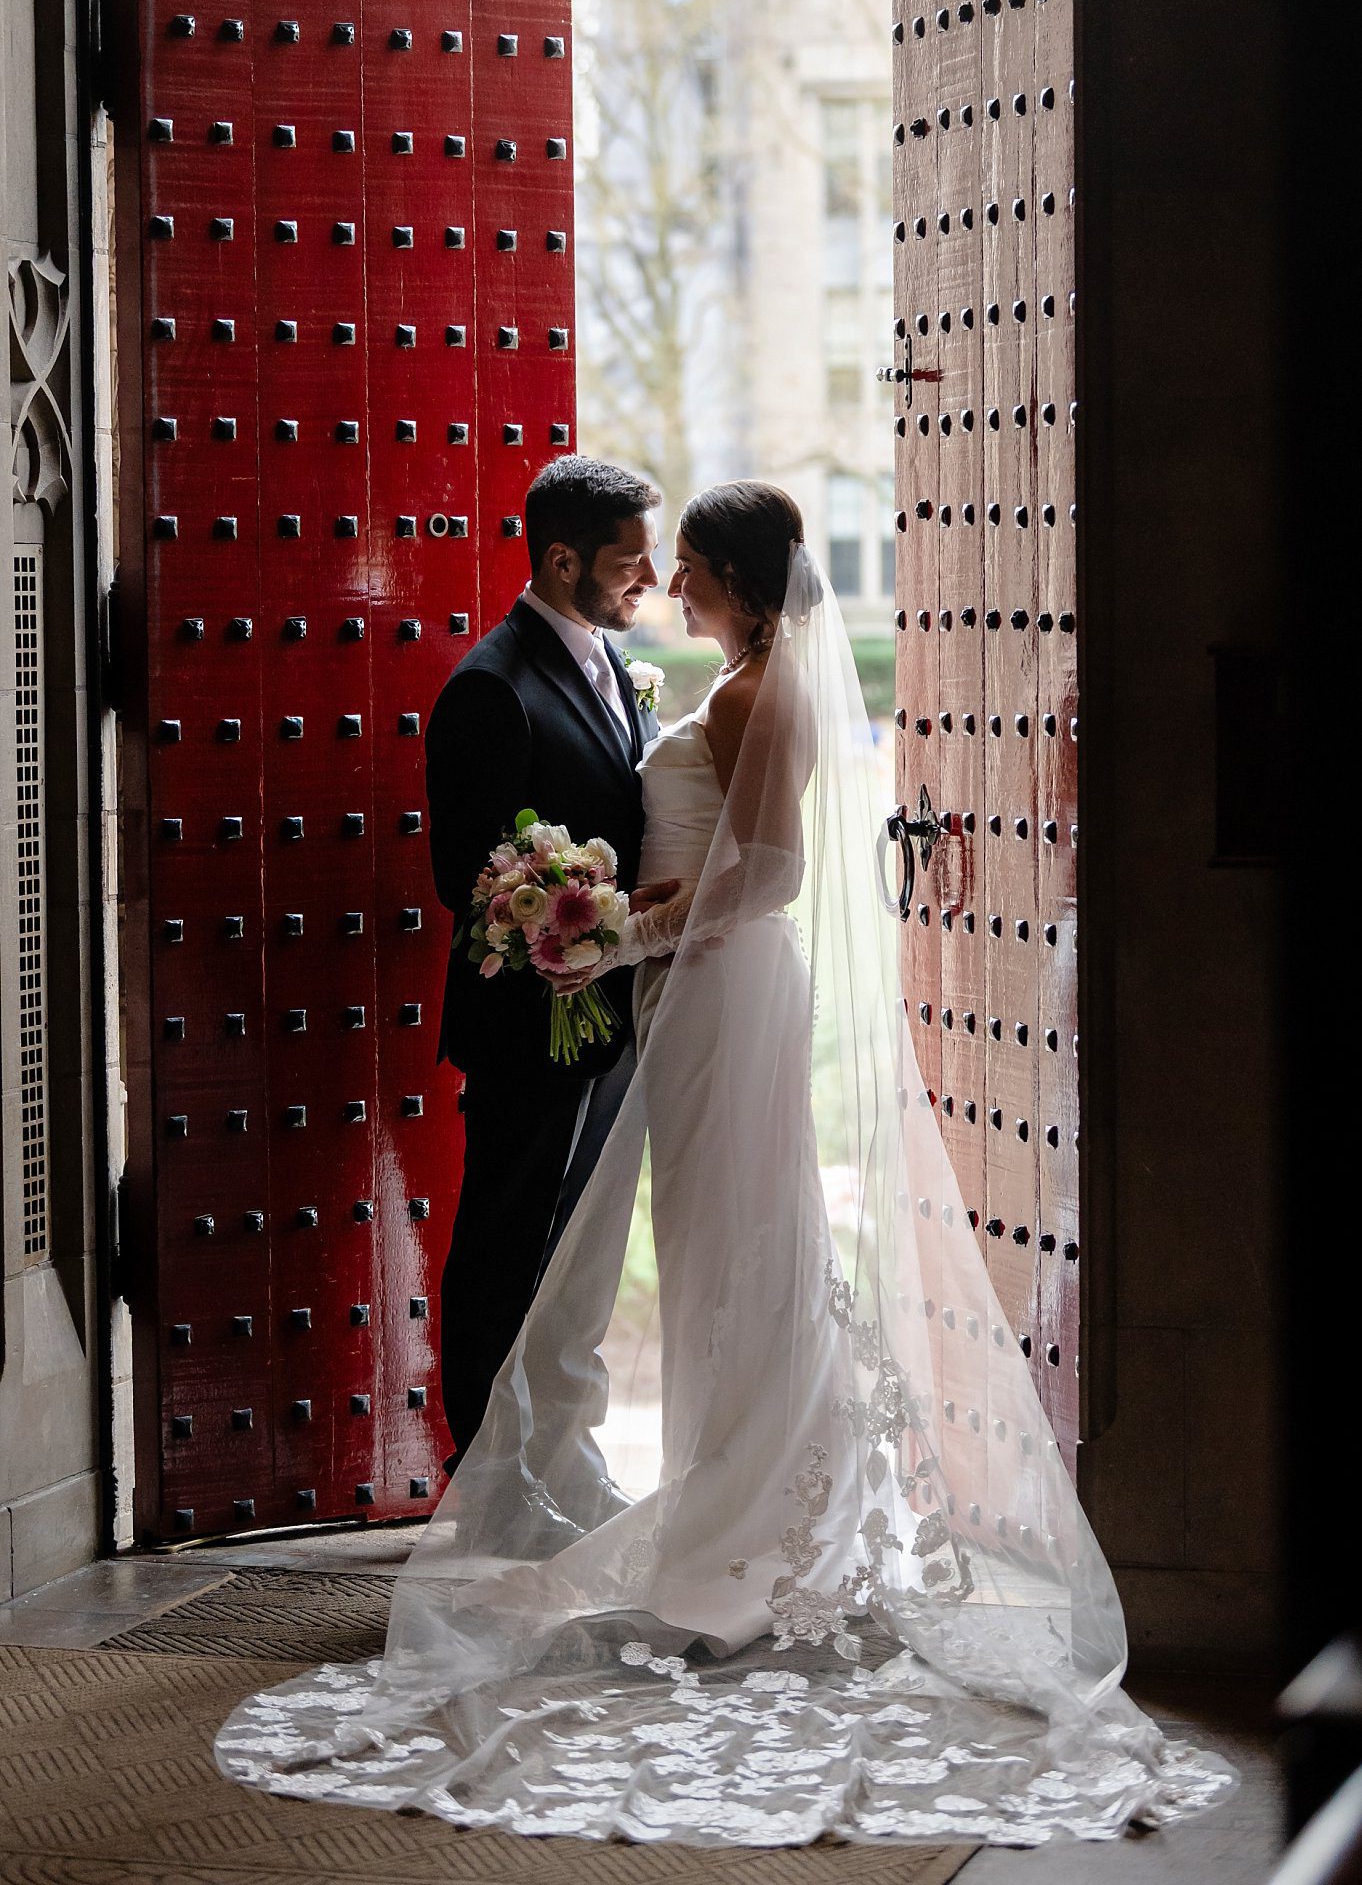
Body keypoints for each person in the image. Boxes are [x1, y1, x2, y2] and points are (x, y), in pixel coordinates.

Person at [218, 484, 1233, 1846]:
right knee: (718, 1248)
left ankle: (742, 1528)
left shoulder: (754, 698)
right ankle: (719, 1499)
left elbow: (767, 875)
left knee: (738, 1246)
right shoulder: (668, 681)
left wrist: (611, 939)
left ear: (744, 586)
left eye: (685, 565)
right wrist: (591, 933)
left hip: (716, 987)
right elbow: (550, 858)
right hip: (684, 993)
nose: (664, 584)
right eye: (652, 560)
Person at [424, 454, 672, 1544]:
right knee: (504, 1251)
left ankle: (560, 1467)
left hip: (606, 1019)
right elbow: (466, 877)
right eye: (628, 560)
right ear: (561, 557)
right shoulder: (492, 685)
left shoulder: (615, 664)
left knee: (572, 1264)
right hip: (530, 1026)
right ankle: (486, 1487)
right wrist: (570, 912)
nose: (650, 578)